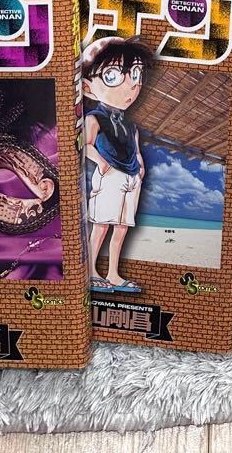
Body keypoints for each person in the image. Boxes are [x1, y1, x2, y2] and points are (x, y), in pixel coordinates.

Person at [82, 36, 153, 292]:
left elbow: (136, 148)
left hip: (131, 177)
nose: (132, 85)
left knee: (122, 227)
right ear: (87, 87)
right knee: (101, 224)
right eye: (112, 76)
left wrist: (140, 167)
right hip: (110, 175)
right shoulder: (94, 117)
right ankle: (90, 271)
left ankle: (113, 273)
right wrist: (102, 164)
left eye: (135, 74)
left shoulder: (131, 125)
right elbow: (86, 145)